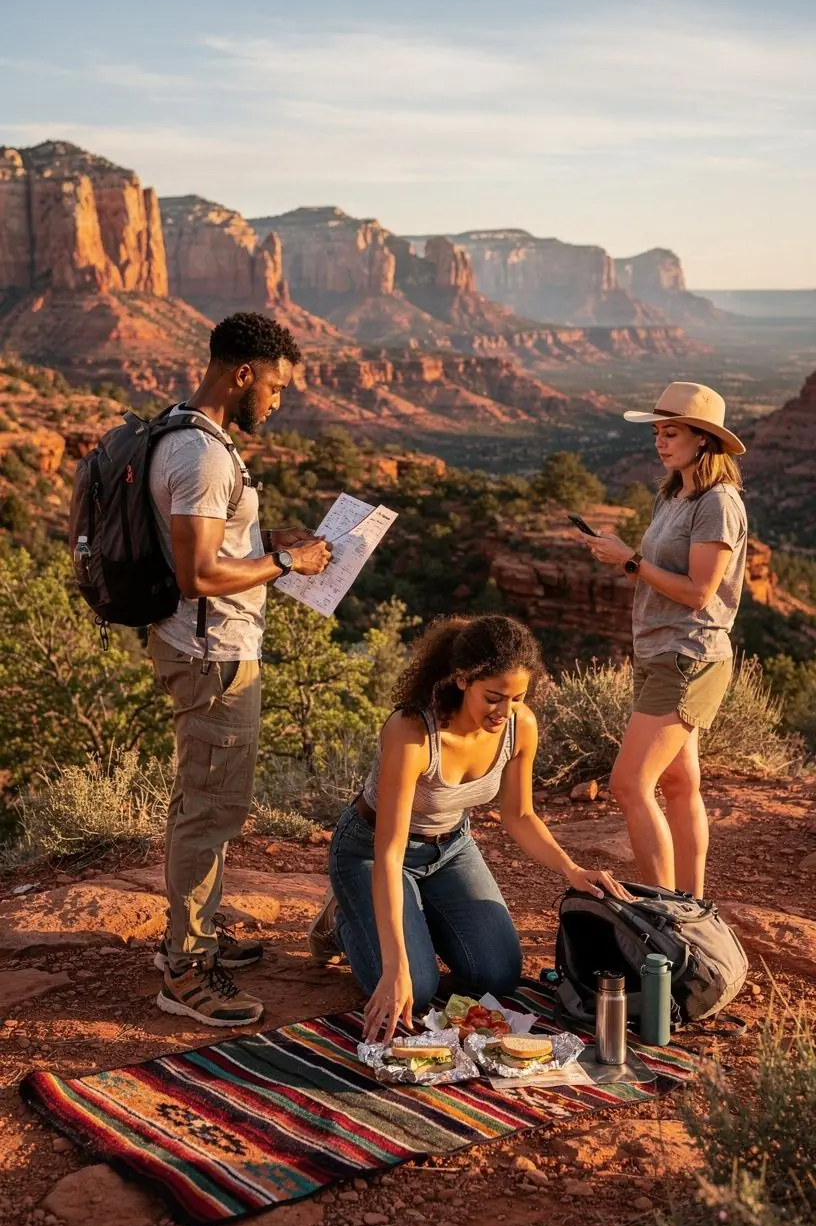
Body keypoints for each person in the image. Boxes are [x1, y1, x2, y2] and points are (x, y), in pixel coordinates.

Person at [310, 614, 632, 1043]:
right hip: (371, 852)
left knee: (497, 976)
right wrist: (396, 969)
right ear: (462, 679)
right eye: (494, 697)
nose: (505, 711)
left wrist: (571, 869)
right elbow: (389, 854)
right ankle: (342, 920)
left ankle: (414, 916)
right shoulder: (412, 732)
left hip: (450, 850)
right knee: (415, 987)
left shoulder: (521, 725)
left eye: (517, 697)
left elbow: (519, 816)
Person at [148, 312, 332, 1028]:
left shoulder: (187, 433)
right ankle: (187, 969)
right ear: (243, 374)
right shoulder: (204, 456)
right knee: (212, 810)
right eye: (276, 388)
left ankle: (190, 937)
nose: (278, 403)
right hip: (213, 655)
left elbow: (213, 546)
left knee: (202, 800)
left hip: (208, 649)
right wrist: (285, 562)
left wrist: (266, 542)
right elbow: (196, 574)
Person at [583, 381, 747, 900]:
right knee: (678, 786)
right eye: (657, 432)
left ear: (702, 439)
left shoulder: (718, 503)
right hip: (658, 651)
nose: (659, 441)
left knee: (628, 784)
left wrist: (629, 560)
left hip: (689, 657)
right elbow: (659, 573)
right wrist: (624, 556)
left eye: (670, 432)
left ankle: (659, 916)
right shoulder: (673, 494)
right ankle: (690, 907)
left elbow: (700, 593)